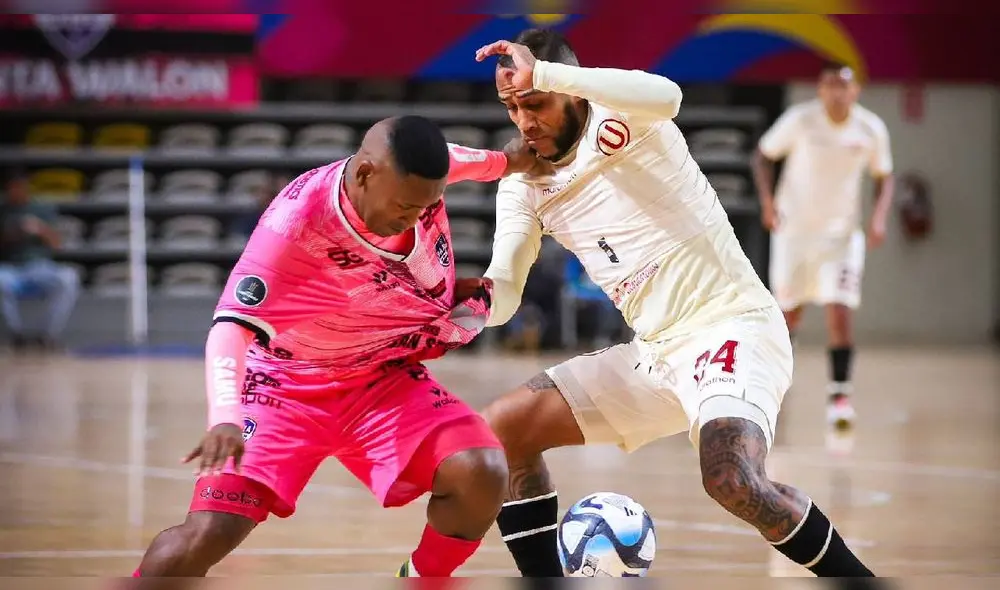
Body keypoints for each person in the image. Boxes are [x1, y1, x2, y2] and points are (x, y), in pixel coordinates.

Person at [474, 29, 876, 578]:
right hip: (654, 355)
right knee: (504, 429)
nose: (524, 121)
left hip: (731, 327)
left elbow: (669, 96)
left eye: (536, 103)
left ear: (568, 89)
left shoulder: (626, 115)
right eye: (512, 107)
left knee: (732, 480)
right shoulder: (523, 183)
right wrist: (452, 306)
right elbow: (503, 295)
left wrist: (542, 73)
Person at [131, 115, 538, 578]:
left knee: (481, 471)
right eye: (405, 206)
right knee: (206, 536)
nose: (413, 218)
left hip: (379, 377)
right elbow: (229, 327)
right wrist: (223, 415)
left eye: (427, 205)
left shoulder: (426, 173)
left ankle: (422, 579)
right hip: (285, 384)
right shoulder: (294, 229)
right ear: (365, 173)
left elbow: (482, 162)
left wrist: (516, 159)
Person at [752, 63, 894, 431]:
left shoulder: (870, 128)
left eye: (843, 85)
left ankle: (840, 397)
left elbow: (884, 176)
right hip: (794, 232)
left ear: (855, 90)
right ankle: (774, 387)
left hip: (842, 237)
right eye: (830, 85)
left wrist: (879, 217)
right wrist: (767, 203)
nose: (836, 92)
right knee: (788, 315)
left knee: (840, 312)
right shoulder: (800, 120)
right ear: (820, 89)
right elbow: (763, 156)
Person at [0, 169, 80, 351]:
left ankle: (48, 335)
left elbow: (57, 244)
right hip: (8, 268)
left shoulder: (42, 209)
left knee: (68, 279)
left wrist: (40, 229)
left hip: (39, 267)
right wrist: (9, 235)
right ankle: (17, 335)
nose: (16, 191)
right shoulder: (2, 210)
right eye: (12, 188)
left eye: (20, 187)